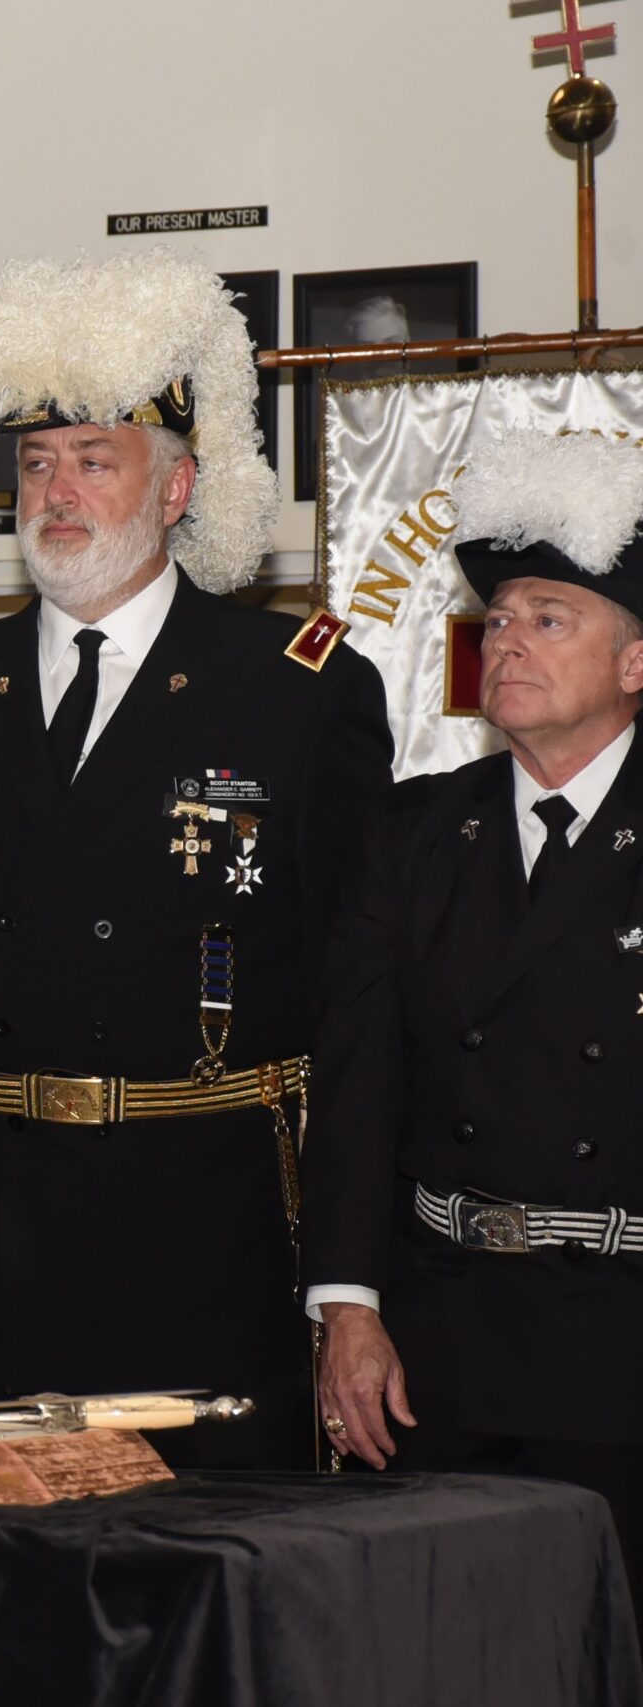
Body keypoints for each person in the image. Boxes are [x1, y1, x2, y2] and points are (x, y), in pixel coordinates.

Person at [0, 251, 392, 1468]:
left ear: (174, 488)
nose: (57, 491)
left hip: (200, 1234)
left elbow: (360, 1008)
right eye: (35, 463)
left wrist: (346, 1282)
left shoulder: (295, 693)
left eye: (95, 461)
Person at [306, 429, 643, 1587]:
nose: (506, 641)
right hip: (438, 1331)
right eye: (495, 621)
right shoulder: (413, 833)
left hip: (619, 1338)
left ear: (634, 664)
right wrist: (347, 1311)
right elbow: (355, 1084)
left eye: (549, 619)